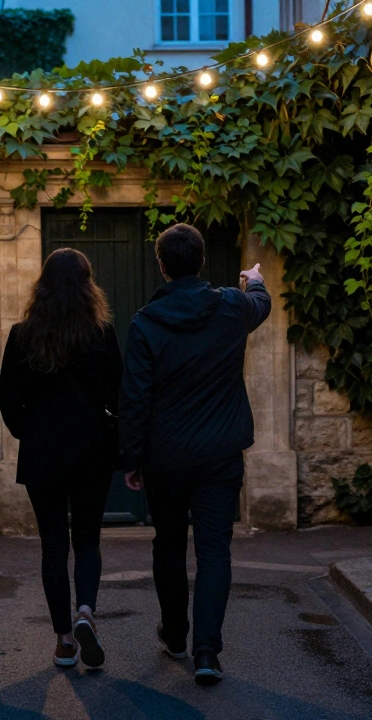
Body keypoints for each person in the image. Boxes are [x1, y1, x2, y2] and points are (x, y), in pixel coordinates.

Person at [119, 223, 271, 685]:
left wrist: (131, 457)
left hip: (165, 457)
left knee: (168, 544)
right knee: (213, 549)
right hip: (220, 455)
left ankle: (176, 633)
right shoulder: (231, 306)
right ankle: (207, 651)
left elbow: (135, 396)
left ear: (161, 265)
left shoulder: (145, 323)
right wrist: (257, 280)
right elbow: (260, 304)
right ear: (202, 261)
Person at [0, 248, 122, 670]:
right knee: (88, 540)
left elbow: (8, 400)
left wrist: (29, 432)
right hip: (92, 452)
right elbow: (118, 395)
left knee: (53, 547)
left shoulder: (22, 334)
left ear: (43, 285)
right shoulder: (102, 334)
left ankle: (65, 642)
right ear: (88, 285)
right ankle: (85, 610)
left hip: (43, 454)